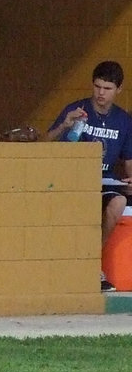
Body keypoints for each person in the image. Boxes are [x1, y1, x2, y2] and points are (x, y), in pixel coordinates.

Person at [45, 60, 132, 292]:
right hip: (73, 181)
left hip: (104, 181)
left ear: (118, 90)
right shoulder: (77, 110)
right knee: (82, 204)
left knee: (120, 201)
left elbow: (129, 162)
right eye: (97, 87)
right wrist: (65, 124)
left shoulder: (123, 120)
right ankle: (85, 267)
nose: (101, 93)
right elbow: (44, 145)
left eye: (107, 88)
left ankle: (91, 261)